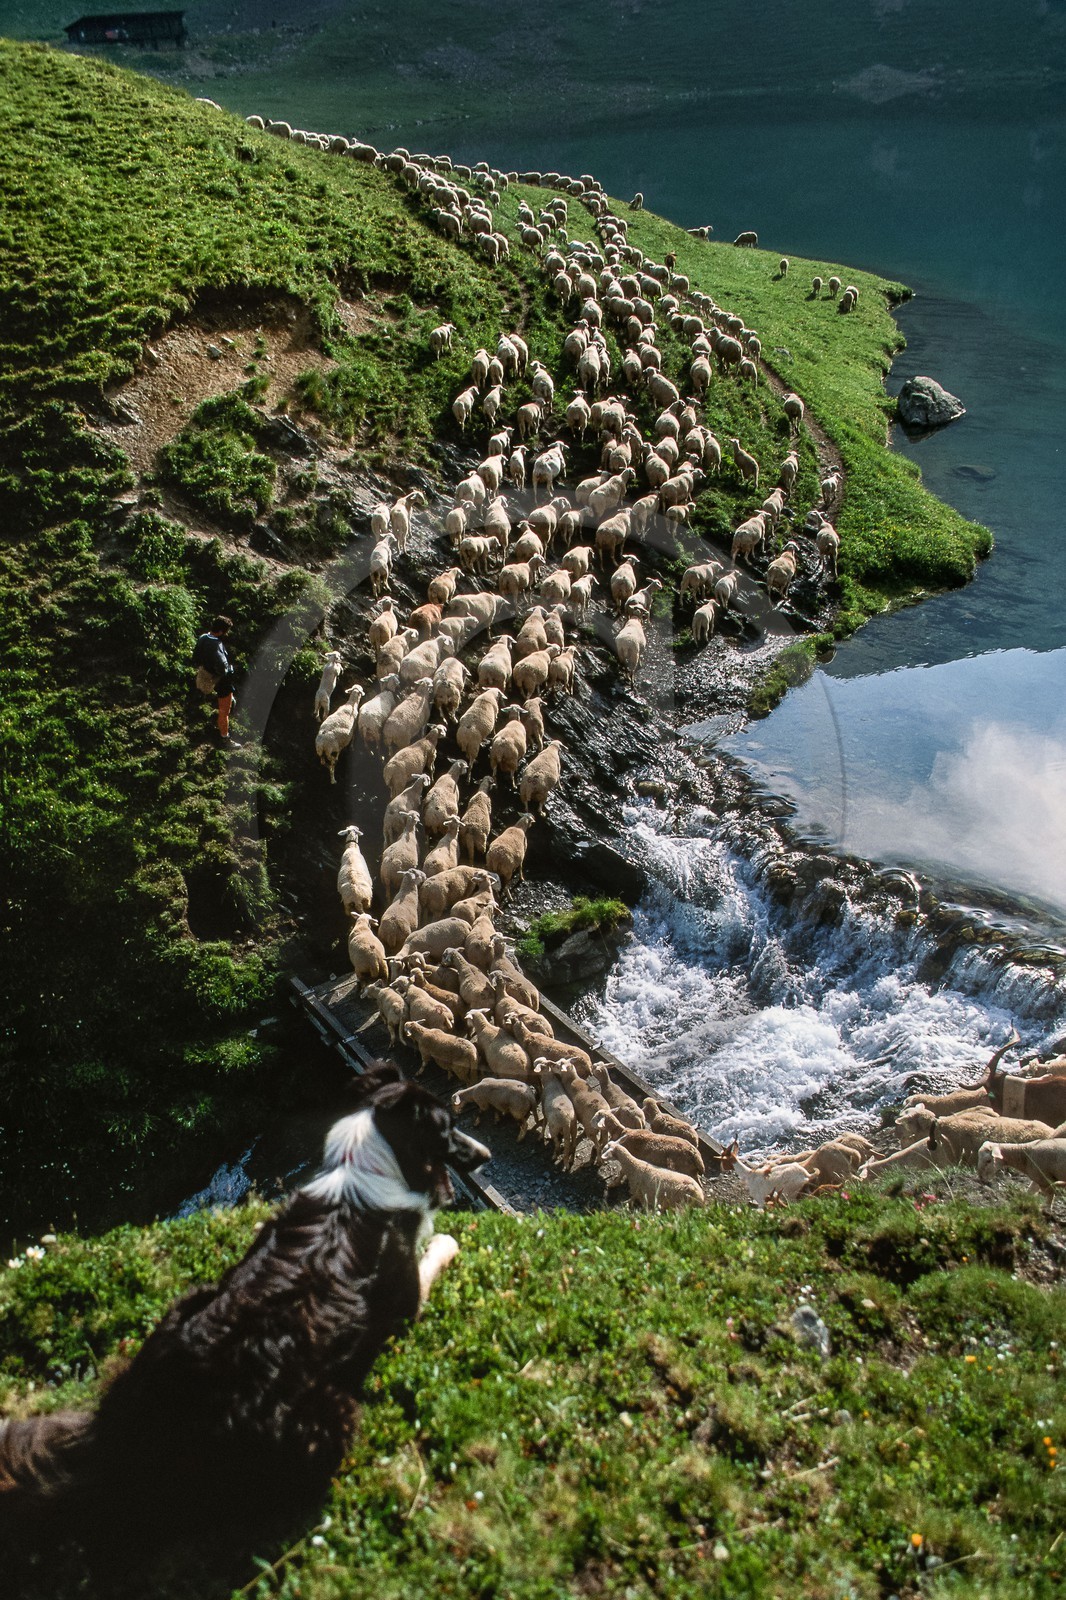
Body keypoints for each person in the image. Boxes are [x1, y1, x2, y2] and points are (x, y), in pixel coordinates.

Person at [192, 615, 242, 747]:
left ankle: (226, 704)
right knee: (225, 710)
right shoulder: (217, 645)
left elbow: (195, 656)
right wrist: (228, 670)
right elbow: (222, 667)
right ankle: (225, 738)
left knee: (226, 701)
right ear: (221, 632)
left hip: (205, 673)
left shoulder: (203, 637)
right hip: (221, 680)